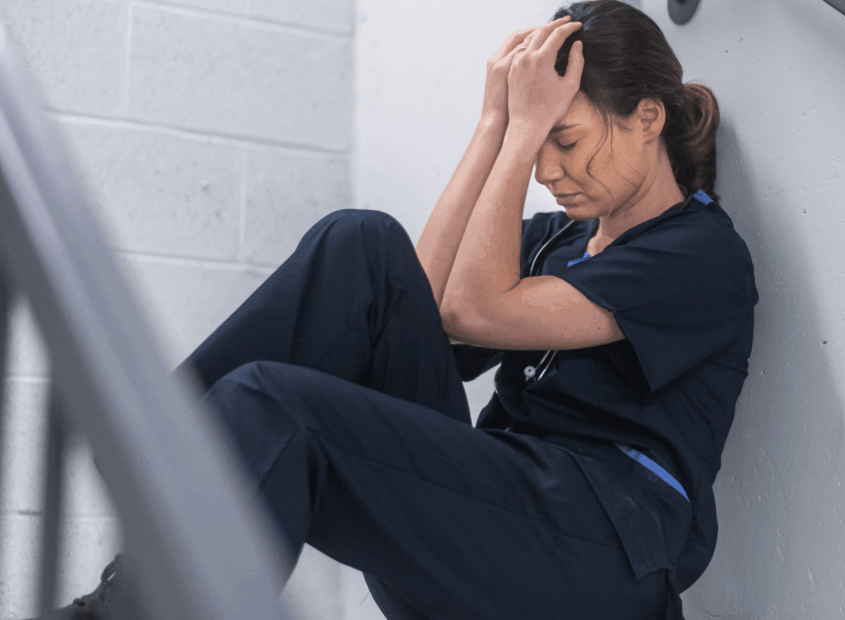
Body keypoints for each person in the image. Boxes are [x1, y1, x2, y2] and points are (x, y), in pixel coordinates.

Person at [38, 1, 757, 619]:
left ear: (647, 119)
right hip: (491, 512)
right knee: (362, 241)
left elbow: (478, 312)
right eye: (538, 146)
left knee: (275, 406)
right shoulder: (557, 241)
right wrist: (492, 125)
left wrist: (516, 131)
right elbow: (431, 297)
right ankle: (163, 452)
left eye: (563, 141)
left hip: (596, 553)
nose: (547, 171)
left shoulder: (697, 253)